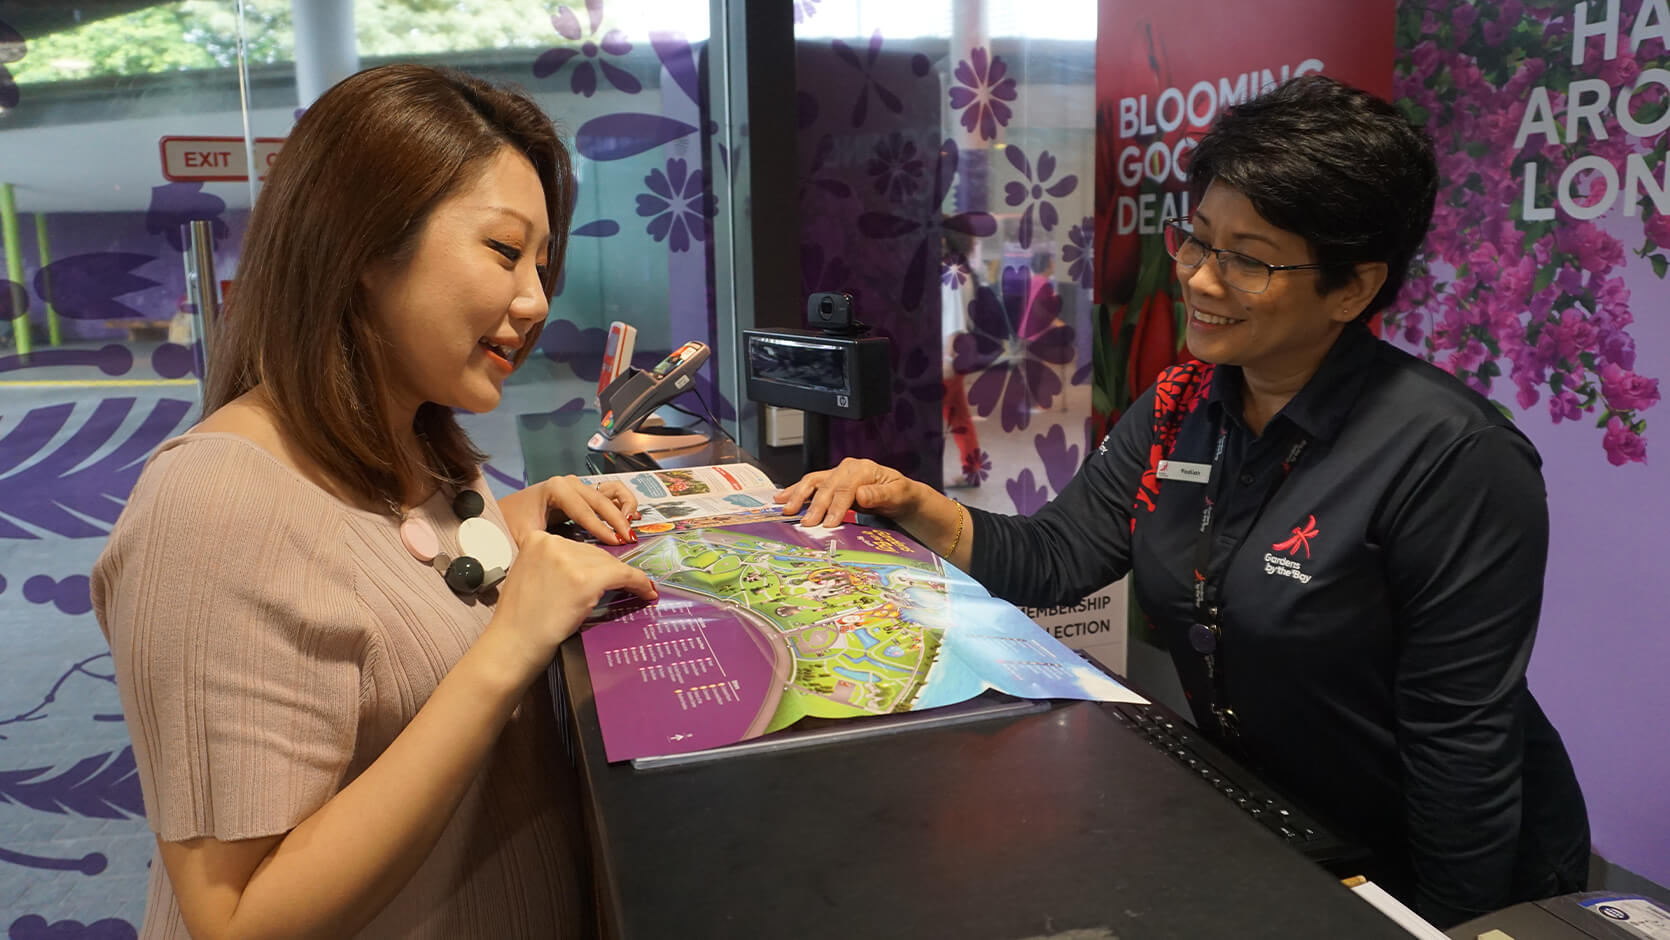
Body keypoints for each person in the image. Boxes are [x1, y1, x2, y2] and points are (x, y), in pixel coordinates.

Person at [776, 75, 1590, 928]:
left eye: (1249, 259)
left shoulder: (1453, 458)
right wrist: (908, 502)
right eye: (1196, 241)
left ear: (1353, 289)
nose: (1199, 280)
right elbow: (1058, 558)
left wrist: (1457, 926)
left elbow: (1460, 749)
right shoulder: (1182, 404)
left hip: (1439, 867)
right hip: (1279, 825)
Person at [91, 64, 657, 939]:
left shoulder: (407, 449)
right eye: (505, 253)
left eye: (543, 265)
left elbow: (374, 587)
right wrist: (511, 643)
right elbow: (236, 918)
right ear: (360, 248)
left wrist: (516, 520)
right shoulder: (207, 505)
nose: (535, 301)